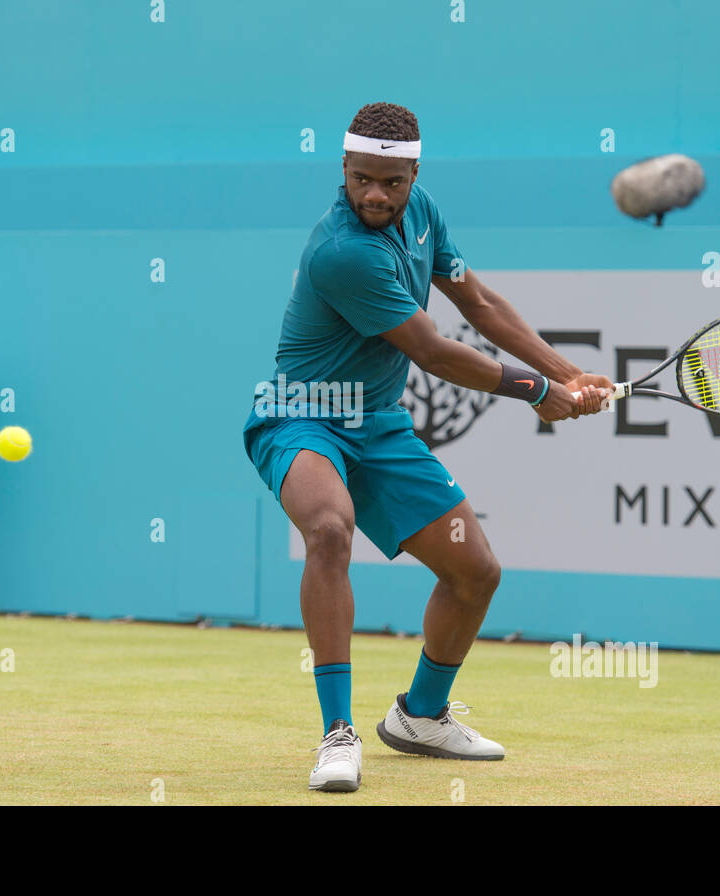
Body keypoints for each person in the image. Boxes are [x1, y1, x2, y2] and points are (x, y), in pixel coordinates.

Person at [242, 103, 613, 792]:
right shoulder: (342, 250)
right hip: (302, 419)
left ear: (415, 173)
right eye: (361, 180)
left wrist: (566, 373)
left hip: (378, 425)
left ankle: (421, 715)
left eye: (391, 181)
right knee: (328, 529)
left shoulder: (423, 214)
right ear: (343, 172)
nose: (375, 195)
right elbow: (434, 351)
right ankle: (336, 733)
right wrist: (536, 391)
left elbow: (482, 305)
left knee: (475, 572)